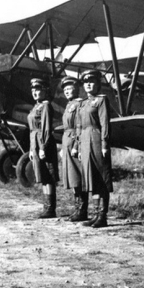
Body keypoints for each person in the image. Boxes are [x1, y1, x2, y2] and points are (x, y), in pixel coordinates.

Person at [73, 70, 113, 228]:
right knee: (92, 178)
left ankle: (102, 216)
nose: (88, 84)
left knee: (101, 177)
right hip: (85, 141)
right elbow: (78, 127)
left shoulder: (101, 101)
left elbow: (105, 124)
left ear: (98, 84)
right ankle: (95, 214)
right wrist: (79, 146)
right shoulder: (82, 103)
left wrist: (104, 144)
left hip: (96, 139)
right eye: (86, 82)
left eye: (92, 81)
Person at [27, 77, 59, 218]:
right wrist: (31, 148)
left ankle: (51, 209)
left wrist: (43, 147)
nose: (35, 92)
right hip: (36, 143)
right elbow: (32, 129)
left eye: (38, 89)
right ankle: (46, 207)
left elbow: (46, 128)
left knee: (49, 175)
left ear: (45, 91)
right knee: (43, 176)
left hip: (43, 143)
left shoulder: (45, 106)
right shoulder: (36, 106)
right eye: (33, 89)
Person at [60, 76, 87, 221]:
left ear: (77, 89)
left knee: (78, 176)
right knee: (72, 176)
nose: (67, 92)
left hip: (74, 143)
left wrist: (76, 146)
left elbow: (79, 127)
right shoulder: (69, 105)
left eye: (70, 88)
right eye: (65, 89)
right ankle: (77, 208)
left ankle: (82, 210)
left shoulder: (79, 104)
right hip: (67, 141)